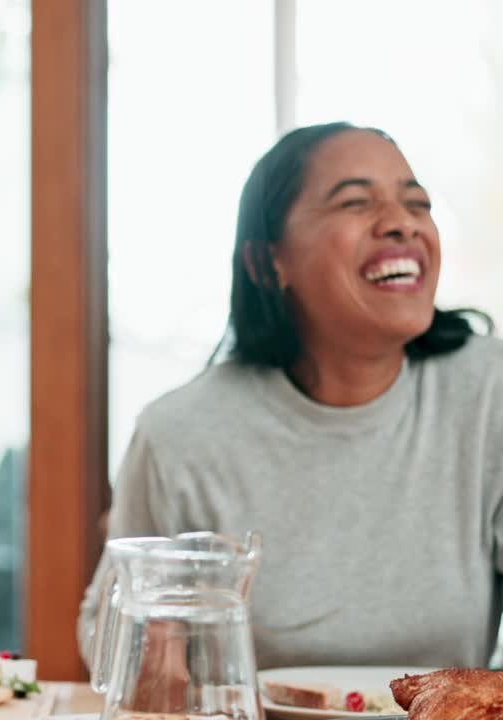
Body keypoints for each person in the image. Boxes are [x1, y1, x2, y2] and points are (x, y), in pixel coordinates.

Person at [81, 122, 503, 672]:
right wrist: (149, 642)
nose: (403, 224)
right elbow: (110, 626)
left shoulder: (488, 392)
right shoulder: (180, 434)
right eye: (355, 202)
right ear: (266, 261)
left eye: (416, 204)